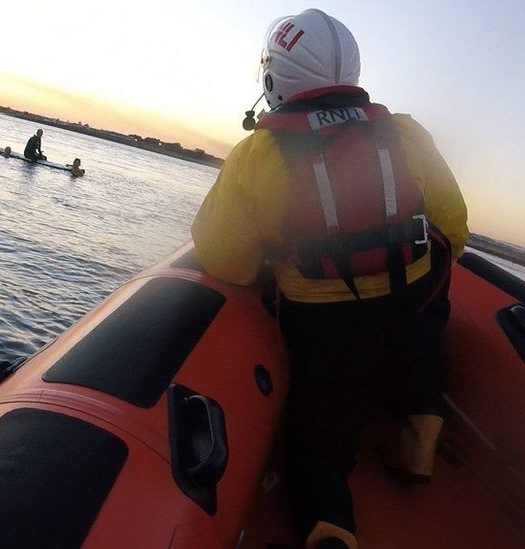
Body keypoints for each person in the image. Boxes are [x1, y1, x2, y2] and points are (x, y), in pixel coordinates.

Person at [190, 9, 468, 549]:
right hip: (412, 313)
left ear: (275, 79)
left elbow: (225, 258)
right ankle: (419, 440)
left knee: (318, 446)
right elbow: (453, 233)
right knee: (422, 335)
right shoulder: (407, 134)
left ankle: (330, 527)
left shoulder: (258, 156)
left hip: (326, 329)